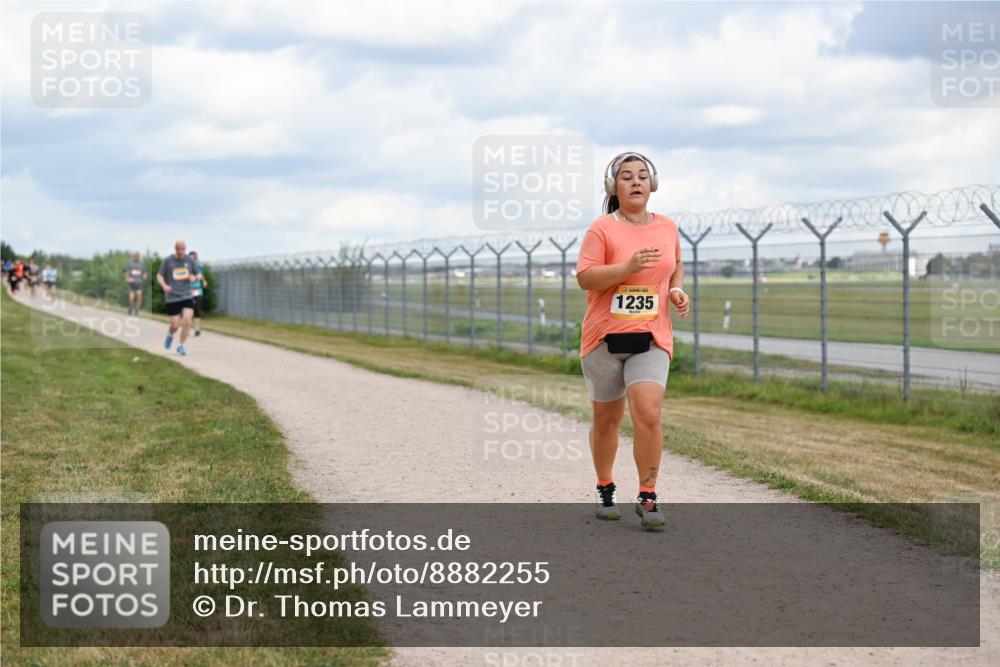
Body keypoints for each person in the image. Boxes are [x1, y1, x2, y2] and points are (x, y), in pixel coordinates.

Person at [575, 152, 689, 530]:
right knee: (607, 420)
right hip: (604, 337)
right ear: (614, 186)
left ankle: (648, 494)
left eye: (642, 176)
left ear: (652, 184)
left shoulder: (668, 227)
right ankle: (605, 487)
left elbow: (676, 266)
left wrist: (675, 290)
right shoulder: (601, 230)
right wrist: (627, 268)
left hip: (652, 336)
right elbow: (586, 278)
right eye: (627, 177)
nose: (636, 182)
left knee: (649, 412)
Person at [157, 241, 198, 356]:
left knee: (187, 321)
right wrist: (164, 285)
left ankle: (181, 345)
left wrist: (193, 277)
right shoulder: (167, 260)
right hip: (172, 296)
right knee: (175, 325)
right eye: (178, 249)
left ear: (185, 249)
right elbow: (159, 275)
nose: (181, 252)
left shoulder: (190, 261)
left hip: (187, 295)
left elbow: (198, 274)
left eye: (183, 249)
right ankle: (170, 335)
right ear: (175, 249)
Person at [188, 250, 208, 336]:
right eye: (193, 257)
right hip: (188, 290)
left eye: (195, 257)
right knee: (189, 309)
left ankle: (197, 329)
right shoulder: (186, 266)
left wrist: (203, 281)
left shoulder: (199, 265)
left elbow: (200, 274)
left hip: (197, 289)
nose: (195, 258)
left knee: (197, 309)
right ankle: (187, 327)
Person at [123, 251, 147, 315]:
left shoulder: (142, 263)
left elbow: (145, 272)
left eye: (138, 256)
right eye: (135, 256)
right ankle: (131, 307)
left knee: (139, 296)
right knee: (132, 296)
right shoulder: (129, 263)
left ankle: (137, 309)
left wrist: (144, 277)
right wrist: (127, 278)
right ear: (133, 256)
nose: (137, 257)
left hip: (139, 283)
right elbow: (125, 271)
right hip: (132, 282)